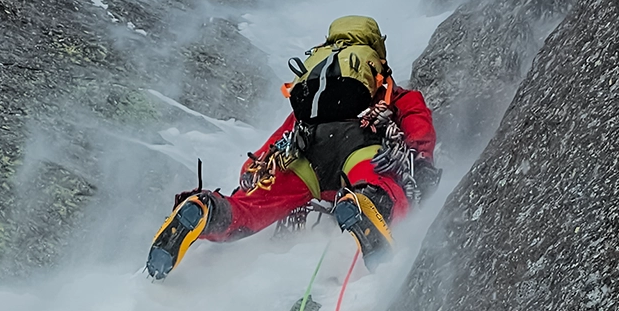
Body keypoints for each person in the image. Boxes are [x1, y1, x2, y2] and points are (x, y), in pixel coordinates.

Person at [147, 15, 440, 279]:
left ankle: (207, 209)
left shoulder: (316, 91)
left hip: (304, 154)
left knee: (247, 211)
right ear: (376, 53)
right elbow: (417, 121)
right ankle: (365, 202)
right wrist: (421, 159)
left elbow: (284, 133)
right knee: (382, 185)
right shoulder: (394, 93)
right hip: (360, 148)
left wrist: (253, 167)